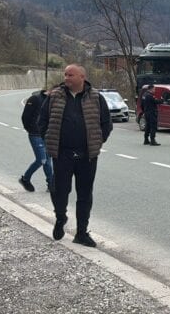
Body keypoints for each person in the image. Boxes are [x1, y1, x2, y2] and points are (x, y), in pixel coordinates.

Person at [39, 64, 112, 247]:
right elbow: (43, 122)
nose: (66, 78)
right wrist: (49, 140)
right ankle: (60, 217)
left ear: (82, 77)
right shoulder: (55, 96)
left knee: (85, 194)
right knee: (59, 190)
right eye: (65, 74)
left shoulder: (95, 97)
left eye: (70, 75)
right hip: (62, 154)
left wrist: (98, 141)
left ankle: (81, 232)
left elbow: (106, 123)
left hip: (87, 156)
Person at [19, 89, 53, 192]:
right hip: (35, 134)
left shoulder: (53, 102)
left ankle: (51, 184)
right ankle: (25, 179)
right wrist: (31, 129)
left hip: (47, 135)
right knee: (41, 160)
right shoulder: (35, 99)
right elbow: (25, 116)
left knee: (48, 161)